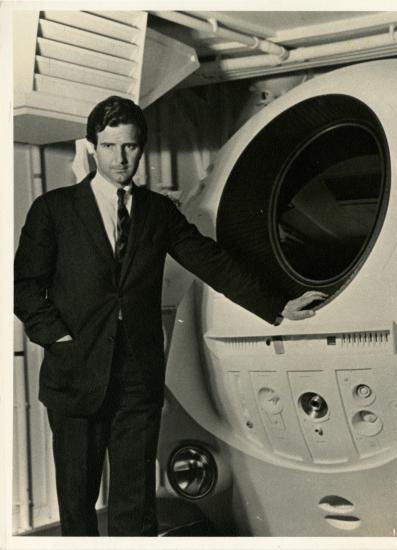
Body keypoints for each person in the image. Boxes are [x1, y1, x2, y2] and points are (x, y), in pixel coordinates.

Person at [14, 95, 326, 536]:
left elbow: (211, 261)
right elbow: (25, 288)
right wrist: (60, 340)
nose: (121, 158)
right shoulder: (54, 210)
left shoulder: (158, 211)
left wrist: (276, 306)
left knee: (135, 502)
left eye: (130, 146)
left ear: (141, 147)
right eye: (110, 147)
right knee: (77, 503)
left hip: (136, 378)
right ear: (92, 147)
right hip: (75, 375)